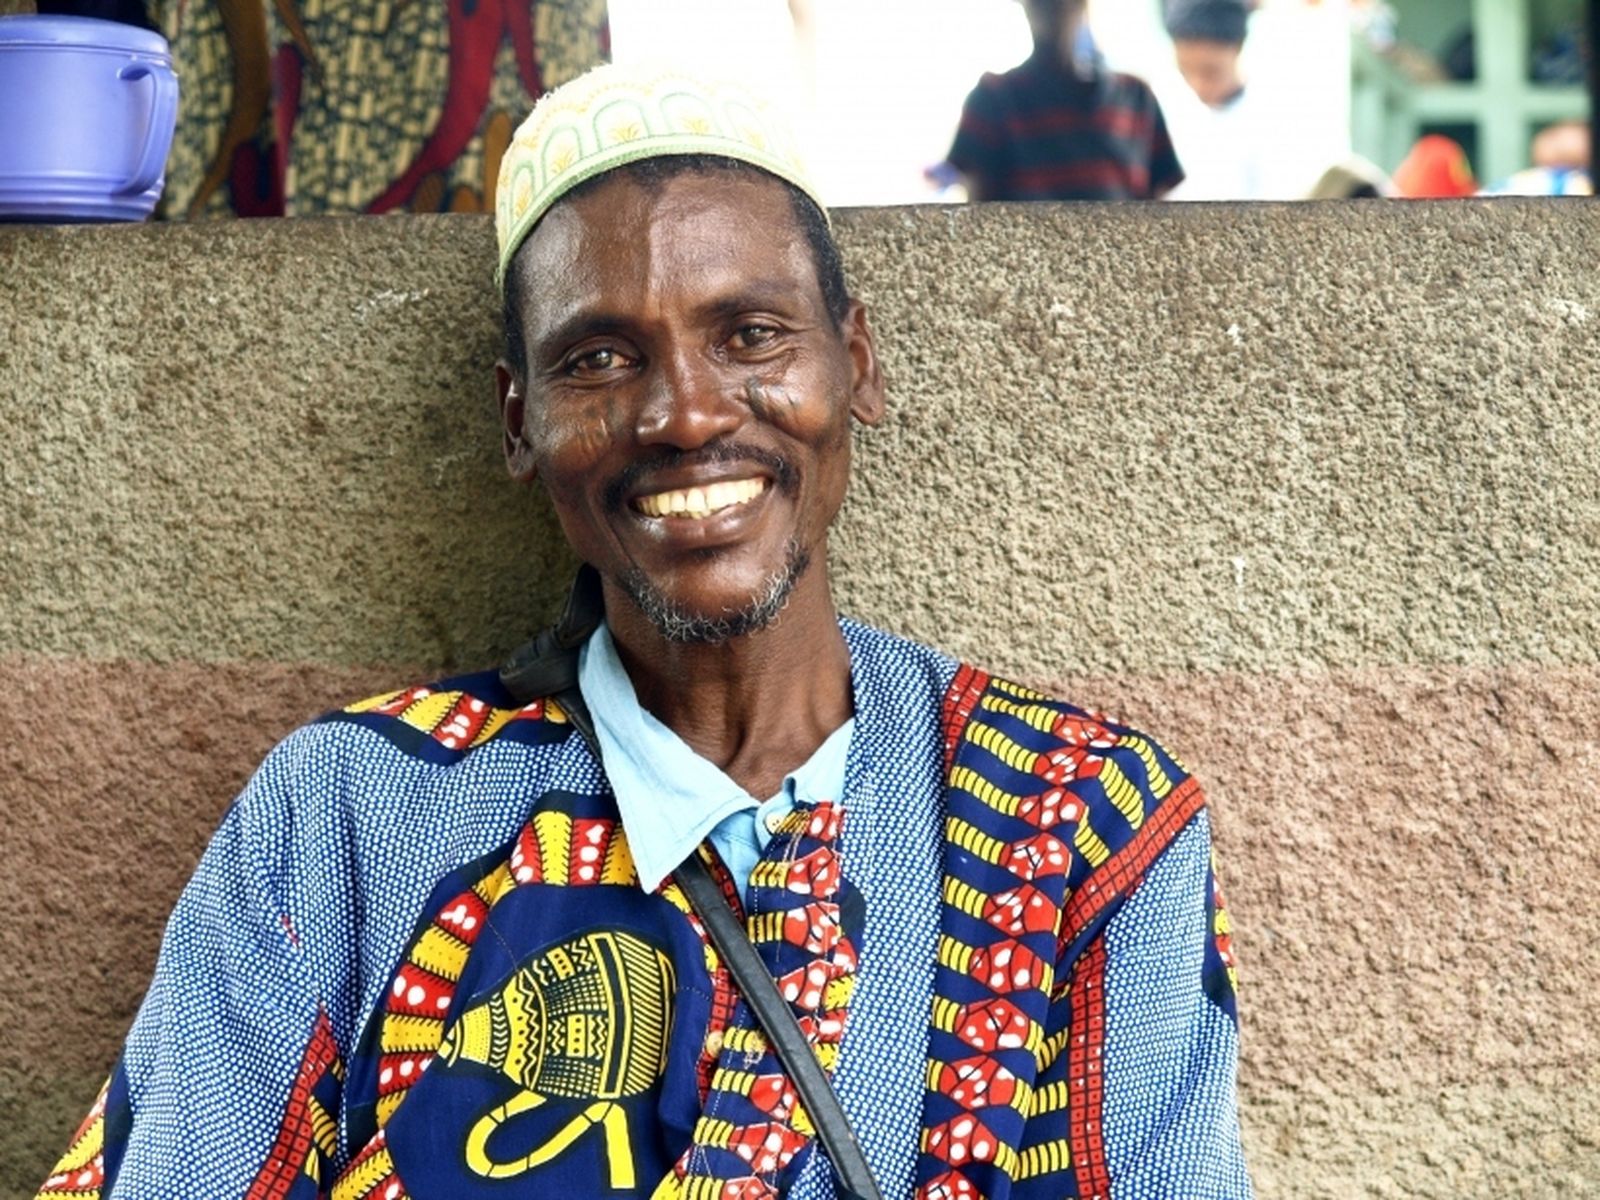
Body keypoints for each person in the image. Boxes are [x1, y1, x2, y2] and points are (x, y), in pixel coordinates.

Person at [36, 62, 1251, 1200]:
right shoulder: (346, 819)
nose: (684, 415)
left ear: (855, 365)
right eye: (600, 358)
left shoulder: (1085, 828)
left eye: (752, 335)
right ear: (522, 425)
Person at [947, 0, 1184, 201]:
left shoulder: (1135, 97)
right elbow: (977, 211)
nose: (1053, 7)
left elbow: (1157, 209)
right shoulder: (994, 97)